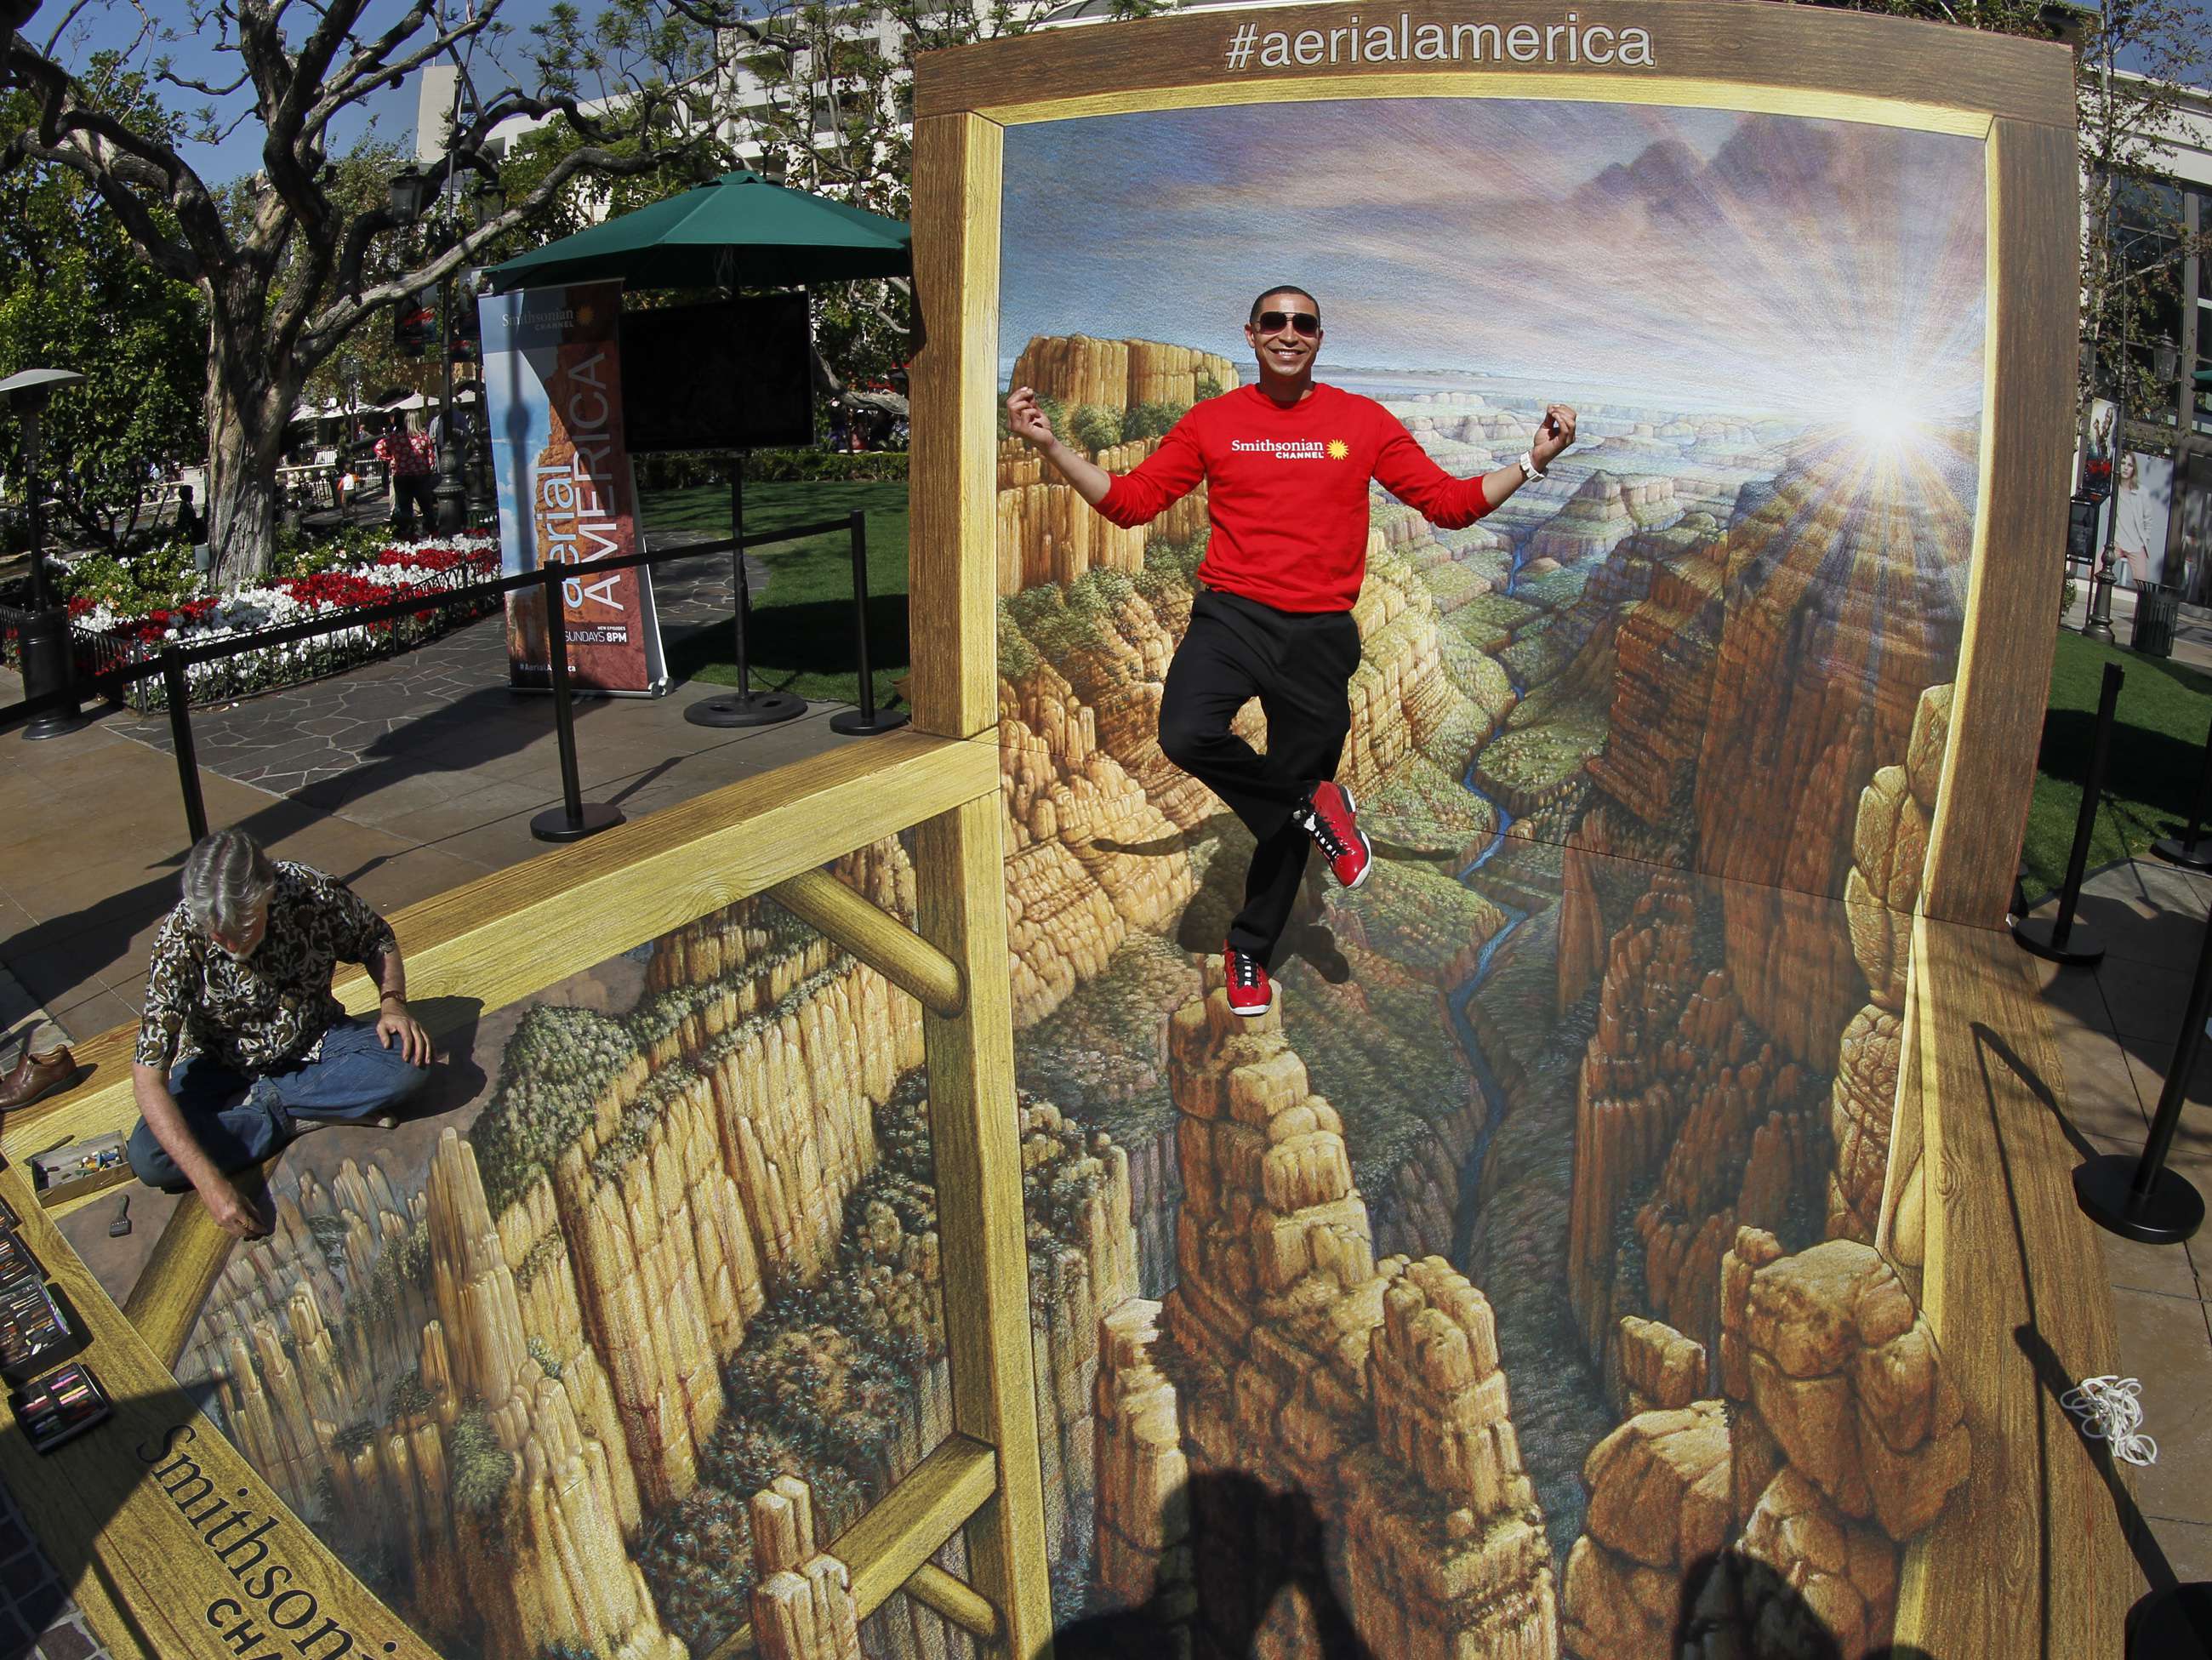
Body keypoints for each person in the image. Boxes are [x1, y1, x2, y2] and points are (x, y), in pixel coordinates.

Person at [1006, 286, 1576, 1017]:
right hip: (1232, 619)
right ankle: (1314, 802)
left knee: (1286, 813)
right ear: (1251, 335)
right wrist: (1050, 445)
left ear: (1319, 337)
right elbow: (1131, 502)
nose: (1287, 333)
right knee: (1188, 731)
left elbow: (1449, 504)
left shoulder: (1361, 422)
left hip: (1317, 637)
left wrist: (1533, 463)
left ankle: (1249, 946)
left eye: (1301, 323)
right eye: (1273, 322)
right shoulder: (1214, 422)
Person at [128, 830, 432, 1237]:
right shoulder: (179, 937)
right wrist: (211, 1184)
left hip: (313, 1038)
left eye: (244, 925)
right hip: (218, 1061)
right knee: (149, 1157)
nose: (230, 940)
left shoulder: (309, 891)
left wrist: (393, 1003)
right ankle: (303, 1112)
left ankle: (271, 1109)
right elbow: (148, 1078)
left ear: (268, 893)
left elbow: (377, 938)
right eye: (218, 931)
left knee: (408, 1062)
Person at [374, 411, 438, 538]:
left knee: (405, 507)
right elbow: (431, 461)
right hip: (420, 477)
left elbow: (378, 448)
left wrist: (390, 459)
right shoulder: (424, 437)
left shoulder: (393, 438)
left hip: (402, 477)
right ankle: (432, 531)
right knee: (426, 506)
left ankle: (408, 532)